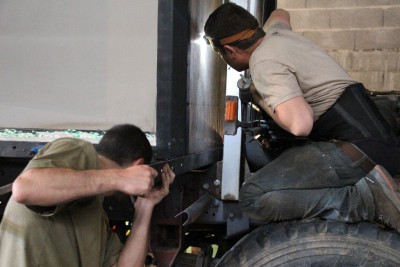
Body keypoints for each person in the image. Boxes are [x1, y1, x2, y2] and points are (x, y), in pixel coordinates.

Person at [204, 3, 400, 232]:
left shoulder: (264, 63)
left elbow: (301, 125)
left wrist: (258, 96)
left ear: (229, 50)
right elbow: (281, 14)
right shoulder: (278, 33)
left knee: (253, 195)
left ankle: (364, 203)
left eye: (220, 54)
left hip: (355, 149)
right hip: (380, 140)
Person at [0, 124, 175, 267]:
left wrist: (145, 207)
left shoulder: (97, 219)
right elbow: (25, 188)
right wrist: (120, 177)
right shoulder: (78, 150)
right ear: (138, 165)